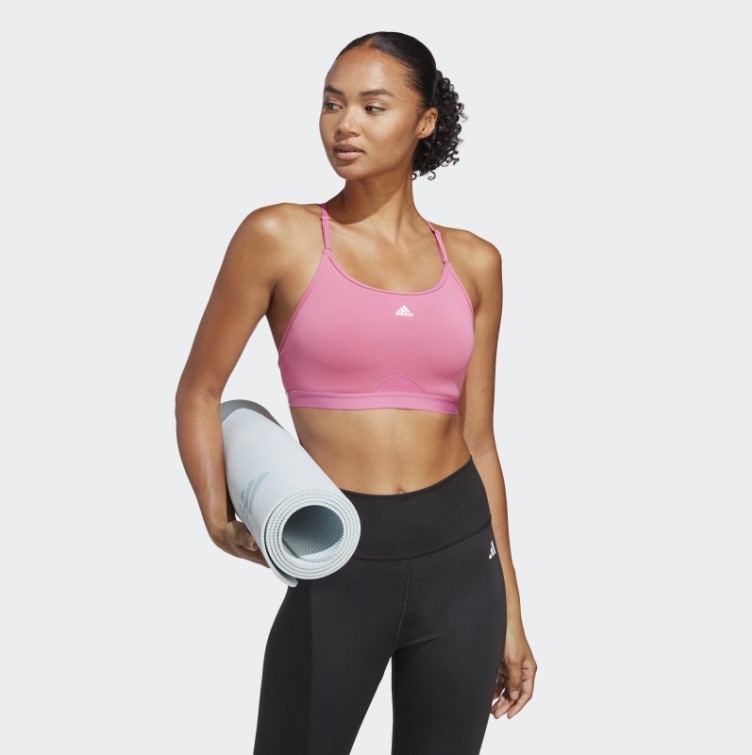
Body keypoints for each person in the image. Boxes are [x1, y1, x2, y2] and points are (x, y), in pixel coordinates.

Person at [175, 30, 537, 755]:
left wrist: (512, 610)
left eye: (373, 107)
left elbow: (479, 440)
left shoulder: (474, 261)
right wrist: (215, 516)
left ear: (424, 121)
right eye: (332, 104)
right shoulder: (278, 235)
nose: (345, 125)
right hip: (336, 551)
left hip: (460, 560)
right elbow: (199, 390)